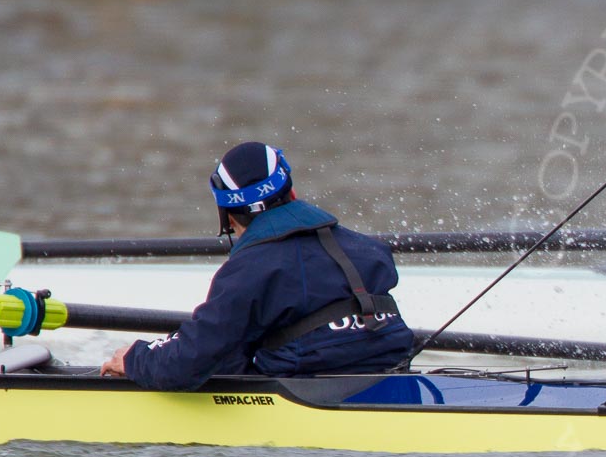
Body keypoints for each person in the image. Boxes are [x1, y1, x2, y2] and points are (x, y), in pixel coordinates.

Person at [100, 142, 414, 389]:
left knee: (226, 358)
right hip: (390, 371)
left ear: (228, 214)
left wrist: (136, 359)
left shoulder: (249, 272)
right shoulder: (367, 249)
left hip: (311, 387)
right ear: (290, 191)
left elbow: (187, 363)